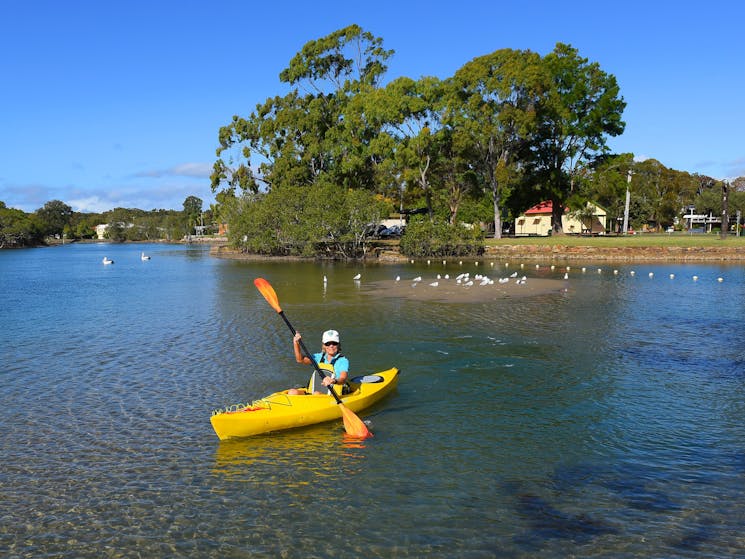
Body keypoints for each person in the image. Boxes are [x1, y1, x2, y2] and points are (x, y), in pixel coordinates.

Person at [287, 329, 349, 395]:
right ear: (324, 345)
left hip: (333, 394)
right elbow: (300, 360)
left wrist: (333, 380)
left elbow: (343, 379)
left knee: (316, 394)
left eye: (334, 343)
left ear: (338, 345)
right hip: (315, 393)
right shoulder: (318, 357)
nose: (331, 346)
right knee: (292, 392)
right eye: (328, 343)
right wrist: (296, 343)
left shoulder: (343, 361)